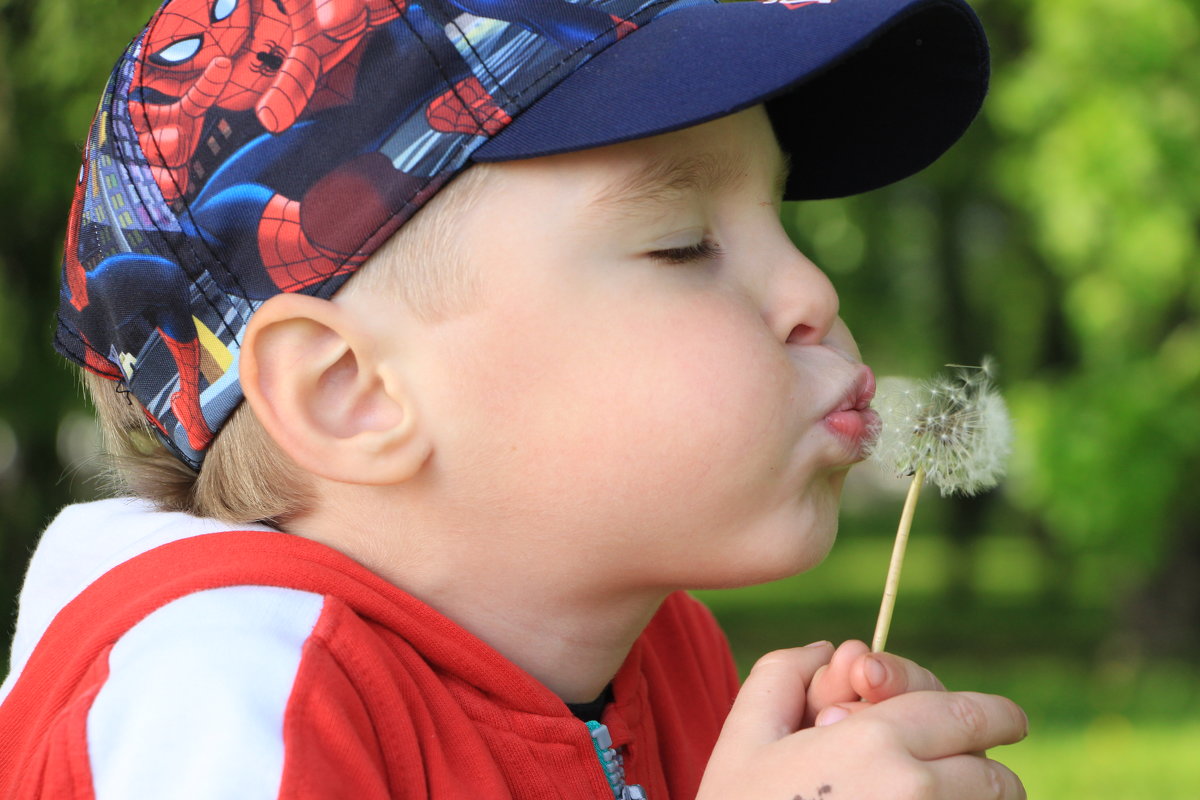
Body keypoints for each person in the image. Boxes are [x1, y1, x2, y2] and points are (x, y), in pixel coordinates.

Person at [0, 0, 1028, 797]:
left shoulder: (667, 655)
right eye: (682, 241)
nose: (814, 291)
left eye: (778, 217)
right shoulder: (225, 699)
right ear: (350, 390)